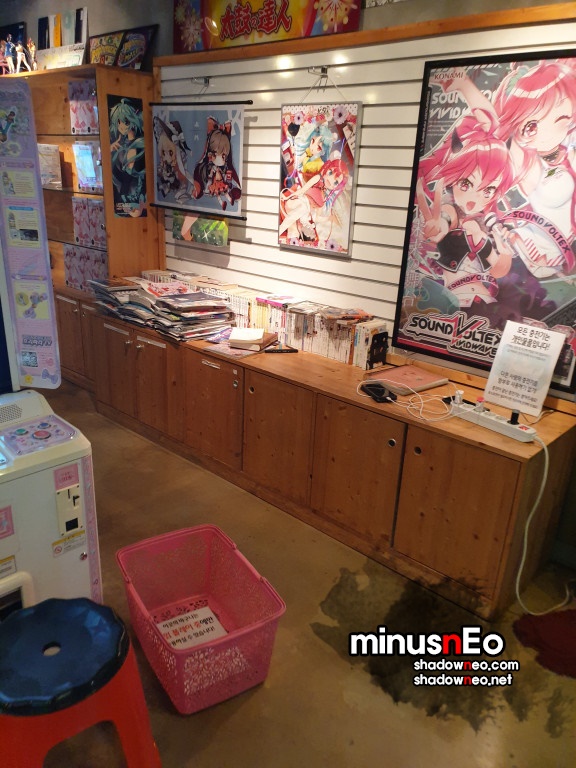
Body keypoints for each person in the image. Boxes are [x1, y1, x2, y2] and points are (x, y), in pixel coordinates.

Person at [109, 98, 146, 213]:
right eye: (118, 122)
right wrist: (110, 150)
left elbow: (135, 177)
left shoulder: (139, 145)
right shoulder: (120, 146)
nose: (121, 126)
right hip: (122, 200)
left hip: (136, 200)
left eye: (125, 121)